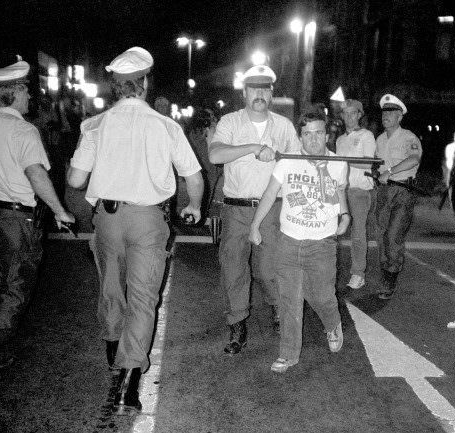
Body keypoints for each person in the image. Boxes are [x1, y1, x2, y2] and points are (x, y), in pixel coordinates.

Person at [67, 47, 203, 415]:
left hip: (107, 218)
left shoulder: (94, 124)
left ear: (116, 86)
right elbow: (193, 175)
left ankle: (114, 350)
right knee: (143, 298)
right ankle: (128, 382)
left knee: (111, 288)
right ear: (144, 84)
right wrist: (193, 206)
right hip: (147, 221)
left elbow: (76, 179)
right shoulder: (166, 126)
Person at [0, 57, 75, 367]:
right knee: (17, 281)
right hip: (15, 216)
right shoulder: (23, 131)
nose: (30, 97)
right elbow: (37, 175)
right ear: (12, 94)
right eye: (25, 91)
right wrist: (60, 211)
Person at [209, 64, 301, 354]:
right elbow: (215, 154)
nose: (259, 94)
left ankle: (276, 308)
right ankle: (237, 324)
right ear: (245, 93)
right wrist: (251, 147)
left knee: (268, 267)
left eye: (265, 89)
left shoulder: (284, 126)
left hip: (272, 208)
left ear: (271, 94)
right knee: (233, 267)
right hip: (236, 208)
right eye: (253, 89)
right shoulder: (229, 122)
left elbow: (298, 164)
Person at [249, 109, 348, 373]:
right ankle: (288, 354)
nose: (313, 139)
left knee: (323, 296)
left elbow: (334, 198)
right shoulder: (288, 160)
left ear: (327, 135)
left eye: (318, 133)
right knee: (289, 300)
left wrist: (323, 170)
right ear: (300, 137)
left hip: (322, 243)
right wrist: (255, 224)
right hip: (289, 241)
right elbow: (270, 193)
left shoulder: (339, 163)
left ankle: (332, 323)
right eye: (307, 134)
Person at [374, 94, 422, 299]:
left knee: (393, 236)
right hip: (384, 192)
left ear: (400, 116)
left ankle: (390, 277)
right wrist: (376, 173)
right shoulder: (380, 139)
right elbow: (377, 163)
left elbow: (413, 159)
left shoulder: (409, 137)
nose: (386, 116)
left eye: (391, 113)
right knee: (382, 235)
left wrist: (390, 172)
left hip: (403, 192)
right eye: (384, 112)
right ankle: (387, 270)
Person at [335, 99, 376, 290]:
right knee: (335, 231)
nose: (349, 117)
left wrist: (344, 160)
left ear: (360, 114)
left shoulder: (366, 136)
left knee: (358, 234)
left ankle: (358, 273)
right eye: (345, 113)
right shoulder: (340, 139)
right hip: (341, 190)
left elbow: (368, 163)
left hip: (359, 190)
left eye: (353, 113)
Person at [443, 130, 455, 204]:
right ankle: (454, 201)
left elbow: (447, 157)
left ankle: (452, 201)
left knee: (451, 185)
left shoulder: (449, 146)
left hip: (451, 167)